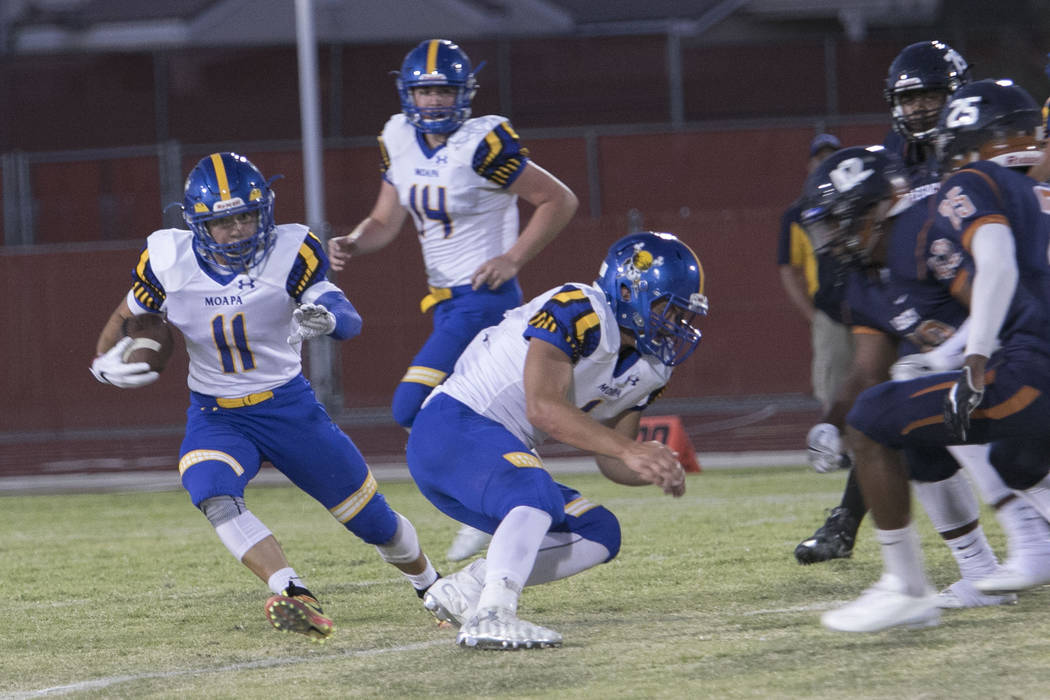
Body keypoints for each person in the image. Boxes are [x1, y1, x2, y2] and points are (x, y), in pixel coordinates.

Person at [89, 152, 439, 642]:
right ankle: (294, 592)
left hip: (288, 407)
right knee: (208, 486)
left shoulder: (293, 250)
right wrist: (102, 362)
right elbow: (129, 316)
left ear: (265, 212)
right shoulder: (168, 259)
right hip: (216, 413)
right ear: (196, 224)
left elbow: (346, 315)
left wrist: (328, 318)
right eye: (222, 222)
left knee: (374, 522)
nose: (236, 230)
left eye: (245, 217)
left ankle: (431, 584)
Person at [802, 85, 1050, 632]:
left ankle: (912, 585)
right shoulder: (868, 280)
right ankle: (977, 566)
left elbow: (1006, 300)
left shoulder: (926, 232)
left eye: (839, 222)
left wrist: (967, 355)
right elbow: (868, 364)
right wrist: (828, 421)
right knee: (913, 433)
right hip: (1009, 374)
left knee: (904, 396)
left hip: (1024, 366)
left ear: (875, 208)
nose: (833, 242)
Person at [327, 38, 578, 563]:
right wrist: (353, 239)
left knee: (413, 406)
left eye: (443, 91)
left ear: (462, 93)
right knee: (472, 414)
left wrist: (512, 258)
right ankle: (524, 500)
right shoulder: (397, 137)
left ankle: (498, 506)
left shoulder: (483, 142)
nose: (435, 102)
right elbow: (384, 222)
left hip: (483, 300)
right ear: (407, 93)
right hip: (444, 304)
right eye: (425, 91)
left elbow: (558, 198)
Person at [405, 231, 706, 649]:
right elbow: (542, 408)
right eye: (665, 308)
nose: (673, 324)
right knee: (536, 491)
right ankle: (494, 614)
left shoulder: (651, 368)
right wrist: (628, 449)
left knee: (599, 530)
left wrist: (651, 465)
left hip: (493, 455)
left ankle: (468, 590)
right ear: (628, 290)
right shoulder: (579, 307)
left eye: (679, 314)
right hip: (452, 427)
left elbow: (614, 459)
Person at [793, 39, 972, 565]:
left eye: (930, 96)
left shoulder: (976, 142)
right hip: (922, 300)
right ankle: (854, 521)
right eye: (908, 98)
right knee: (885, 405)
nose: (918, 107)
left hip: (985, 295)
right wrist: (833, 417)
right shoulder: (889, 160)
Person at [776, 132, 853, 411]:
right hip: (829, 309)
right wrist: (812, 315)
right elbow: (789, 270)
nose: (826, 162)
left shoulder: (857, 199)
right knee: (833, 390)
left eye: (832, 156)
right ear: (809, 165)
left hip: (865, 305)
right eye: (820, 158)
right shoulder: (798, 214)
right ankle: (836, 449)